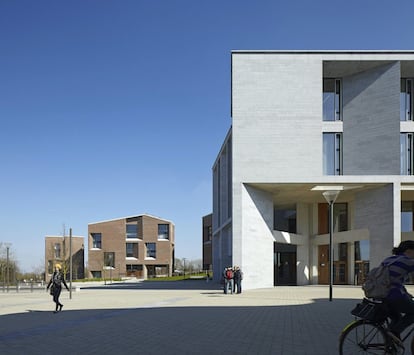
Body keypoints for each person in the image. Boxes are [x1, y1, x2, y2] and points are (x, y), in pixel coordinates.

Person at [382, 240, 414, 345]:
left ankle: (391, 344)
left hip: (382, 296)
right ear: (409, 251)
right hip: (394, 296)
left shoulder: (389, 259)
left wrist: (406, 294)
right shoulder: (407, 260)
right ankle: (393, 332)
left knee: (397, 318)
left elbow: (393, 281)